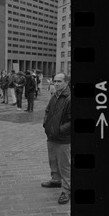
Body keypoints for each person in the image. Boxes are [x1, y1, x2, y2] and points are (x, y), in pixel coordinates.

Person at [41, 73, 71, 205]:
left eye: (59, 81)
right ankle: (55, 180)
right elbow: (47, 111)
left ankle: (66, 190)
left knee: (64, 165)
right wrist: (45, 124)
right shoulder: (55, 95)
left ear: (66, 82)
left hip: (63, 139)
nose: (56, 83)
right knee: (52, 160)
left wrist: (59, 130)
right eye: (54, 81)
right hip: (51, 136)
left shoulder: (69, 98)